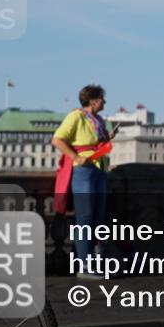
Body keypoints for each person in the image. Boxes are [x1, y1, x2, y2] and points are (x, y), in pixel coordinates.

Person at [51, 83, 117, 278]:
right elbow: (58, 139)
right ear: (93, 100)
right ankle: (85, 267)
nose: (104, 101)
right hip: (84, 171)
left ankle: (88, 261)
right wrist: (76, 157)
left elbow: (97, 143)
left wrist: (108, 137)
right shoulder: (76, 116)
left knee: (97, 218)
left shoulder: (98, 119)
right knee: (85, 219)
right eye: (102, 98)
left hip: (99, 170)